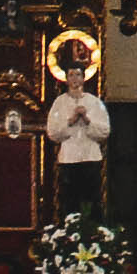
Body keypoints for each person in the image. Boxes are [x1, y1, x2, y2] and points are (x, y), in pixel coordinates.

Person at [44, 38, 110, 218]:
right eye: (71, 75)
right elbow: (53, 133)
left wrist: (87, 120)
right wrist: (71, 121)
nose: (75, 79)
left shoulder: (94, 102)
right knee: (69, 203)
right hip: (69, 159)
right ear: (66, 79)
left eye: (78, 75)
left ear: (83, 77)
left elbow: (104, 131)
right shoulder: (60, 103)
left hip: (91, 158)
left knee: (92, 200)